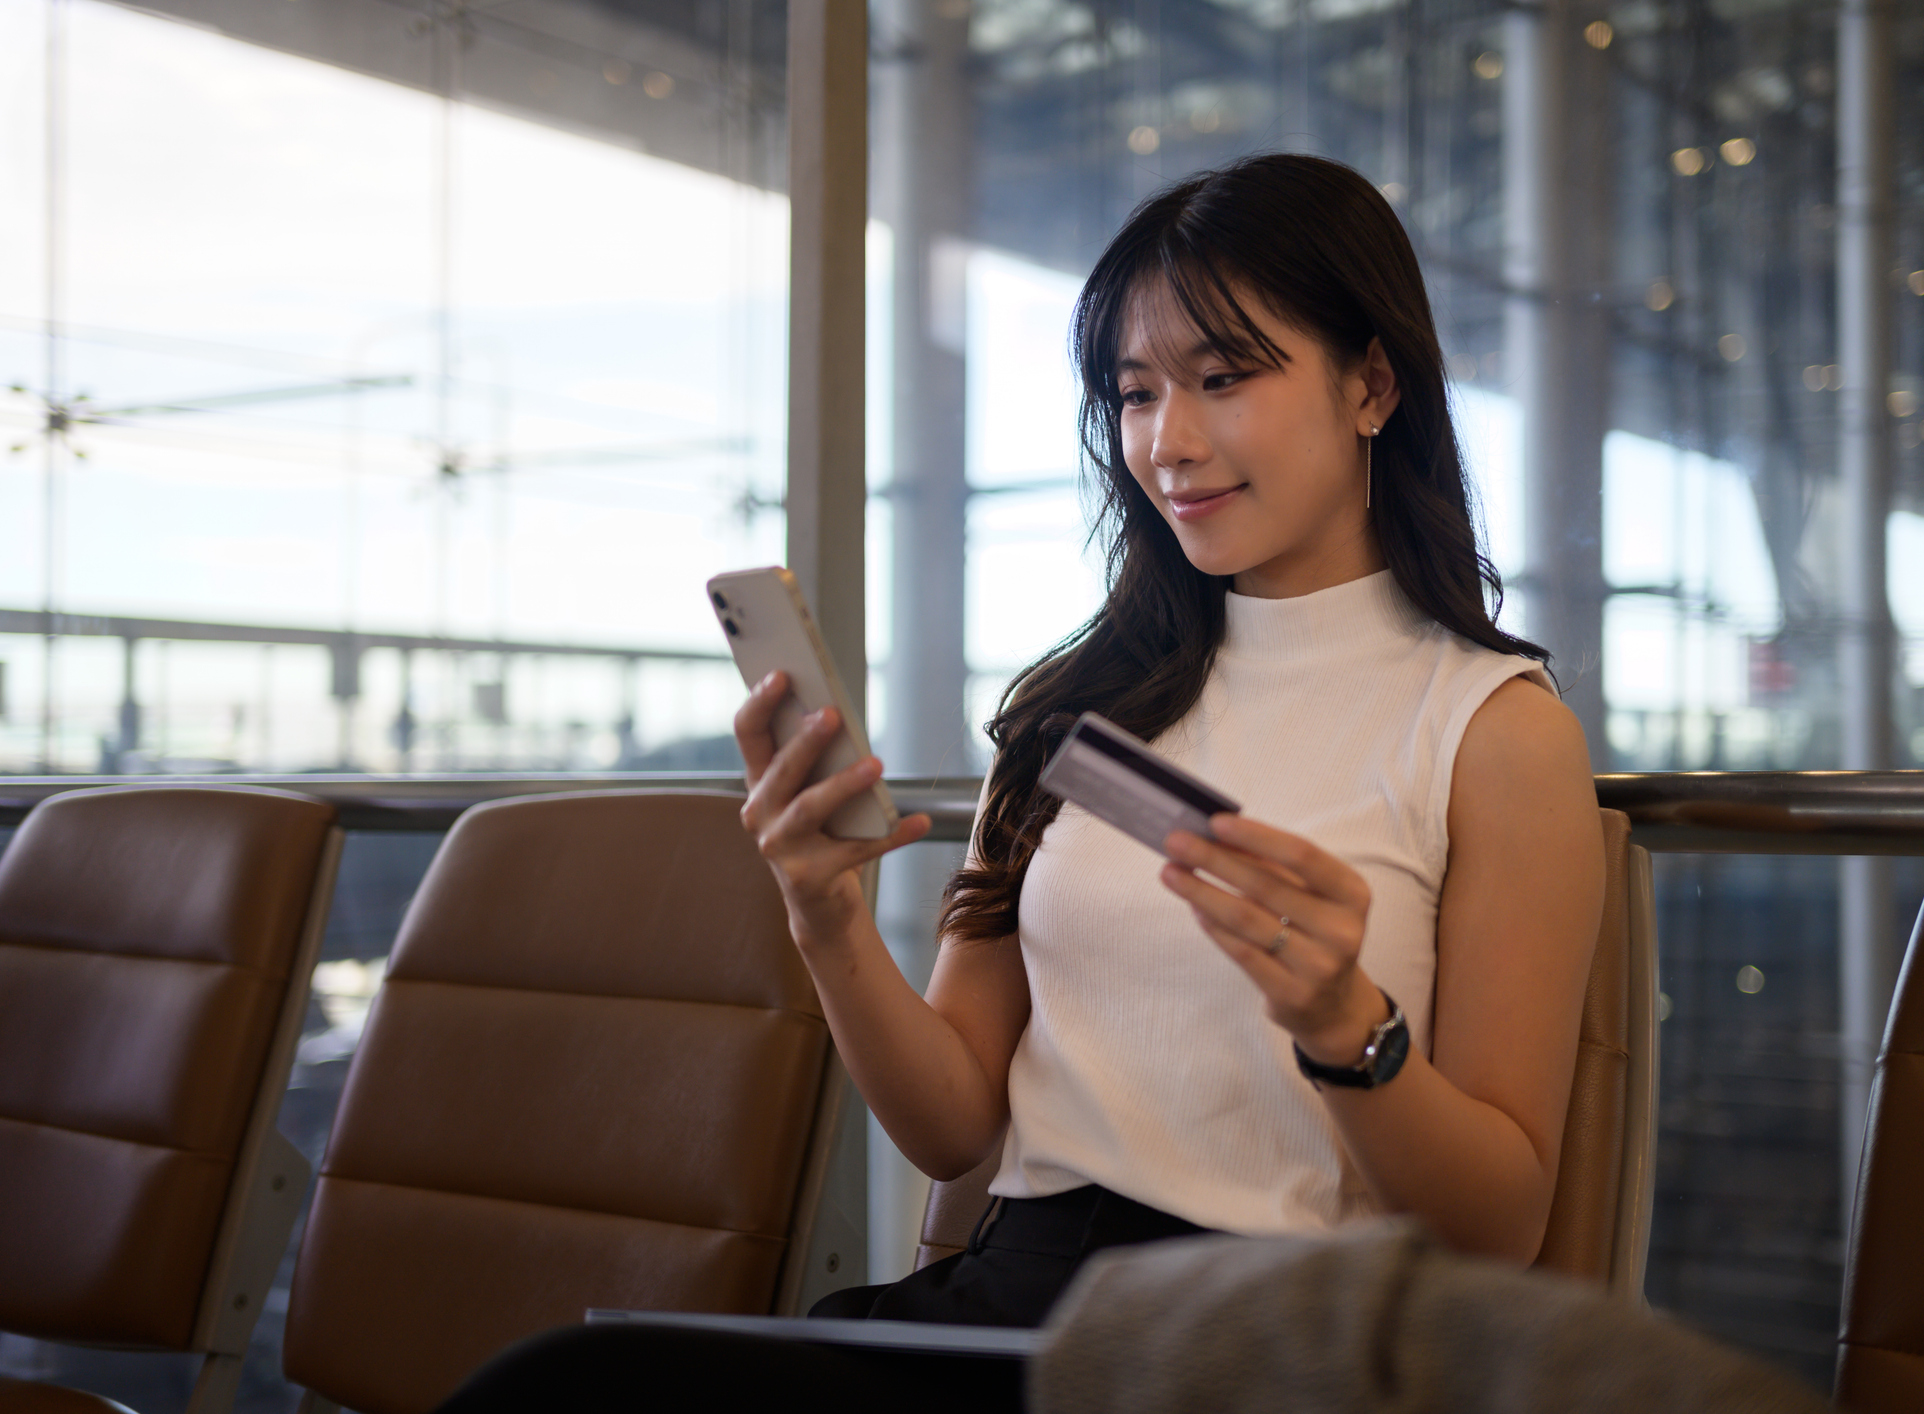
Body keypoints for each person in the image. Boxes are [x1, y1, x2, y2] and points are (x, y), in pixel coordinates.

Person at [435, 151, 1603, 1412]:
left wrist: (1345, 1028)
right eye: (1135, 392)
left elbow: (1503, 1225)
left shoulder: (1492, 730)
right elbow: (952, 1125)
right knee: (564, 1383)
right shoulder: (1075, 711)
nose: (1170, 441)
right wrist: (823, 919)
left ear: (1371, 383)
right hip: (1019, 1302)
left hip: (1280, 1348)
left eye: (1224, 378)